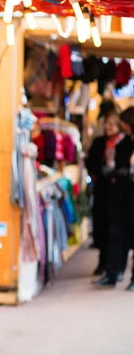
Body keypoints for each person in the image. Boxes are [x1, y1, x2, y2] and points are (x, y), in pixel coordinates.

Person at [94, 107, 134, 289]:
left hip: (127, 194)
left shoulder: (127, 143)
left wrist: (123, 172)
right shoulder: (104, 143)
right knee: (115, 234)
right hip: (117, 196)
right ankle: (112, 272)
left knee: (123, 234)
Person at [85, 110, 124, 276]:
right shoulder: (99, 142)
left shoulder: (124, 142)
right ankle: (103, 262)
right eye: (107, 124)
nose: (108, 127)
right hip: (102, 189)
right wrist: (101, 170)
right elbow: (90, 162)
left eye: (112, 124)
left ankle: (114, 265)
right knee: (101, 225)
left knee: (115, 229)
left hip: (118, 192)